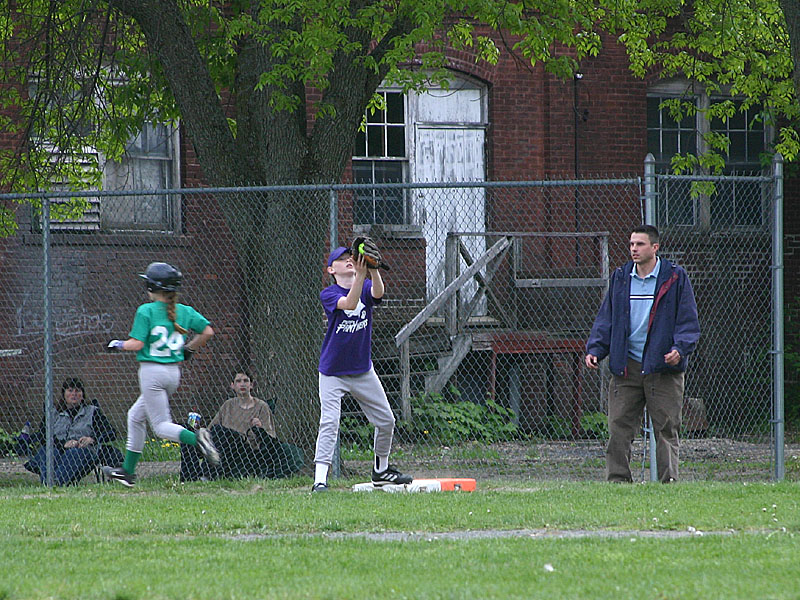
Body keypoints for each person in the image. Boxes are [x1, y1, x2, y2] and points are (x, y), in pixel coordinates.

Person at [585, 224, 700, 483]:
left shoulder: (675, 277)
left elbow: (688, 322)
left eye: (640, 244)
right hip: (626, 366)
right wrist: (596, 349)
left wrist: (679, 350)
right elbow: (607, 318)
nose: (633, 249)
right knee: (618, 428)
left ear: (655, 248)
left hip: (662, 367)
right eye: (631, 245)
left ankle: (668, 481)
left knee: (666, 428)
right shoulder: (621, 277)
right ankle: (618, 481)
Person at [102, 261, 220, 487]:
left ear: (152, 287)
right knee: (135, 416)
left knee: (160, 426)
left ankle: (197, 439)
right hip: (172, 374)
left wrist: (117, 344)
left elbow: (136, 344)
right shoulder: (184, 310)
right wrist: (189, 349)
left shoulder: (145, 310)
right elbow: (207, 331)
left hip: (152, 373)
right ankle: (127, 471)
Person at [312, 245, 412, 492]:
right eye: (342, 259)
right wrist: (360, 274)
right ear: (331, 270)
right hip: (333, 372)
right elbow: (349, 303)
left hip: (362, 370)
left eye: (351, 258)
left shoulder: (365, 283)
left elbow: (377, 294)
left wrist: (373, 270)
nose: (348, 261)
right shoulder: (329, 293)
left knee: (386, 420)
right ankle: (320, 481)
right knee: (330, 422)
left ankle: (381, 470)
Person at [180, 371, 304, 481]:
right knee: (188, 431)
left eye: (246, 381)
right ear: (233, 386)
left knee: (220, 432)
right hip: (222, 444)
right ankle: (190, 476)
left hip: (245, 449)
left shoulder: (262, 406)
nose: (242, 384)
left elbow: (271, 439)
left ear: (251, 385)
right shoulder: (228, 405)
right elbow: (211, 429)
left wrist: (259, 427)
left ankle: (207, 475)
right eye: (238, 381)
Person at [23, 377, 120, 486]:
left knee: (74, 453)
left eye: (77, 391)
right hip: (58, 449)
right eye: (70, 390)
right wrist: (63, 444)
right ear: (64, 394)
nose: (74, 394)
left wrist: (91, 439)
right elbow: (42, 435)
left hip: (82, 450)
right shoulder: (53, 412)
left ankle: (55, 484)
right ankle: (50, 483)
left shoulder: (92, 412)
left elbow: (110, 432)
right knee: (49, 452)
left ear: (82, 395)